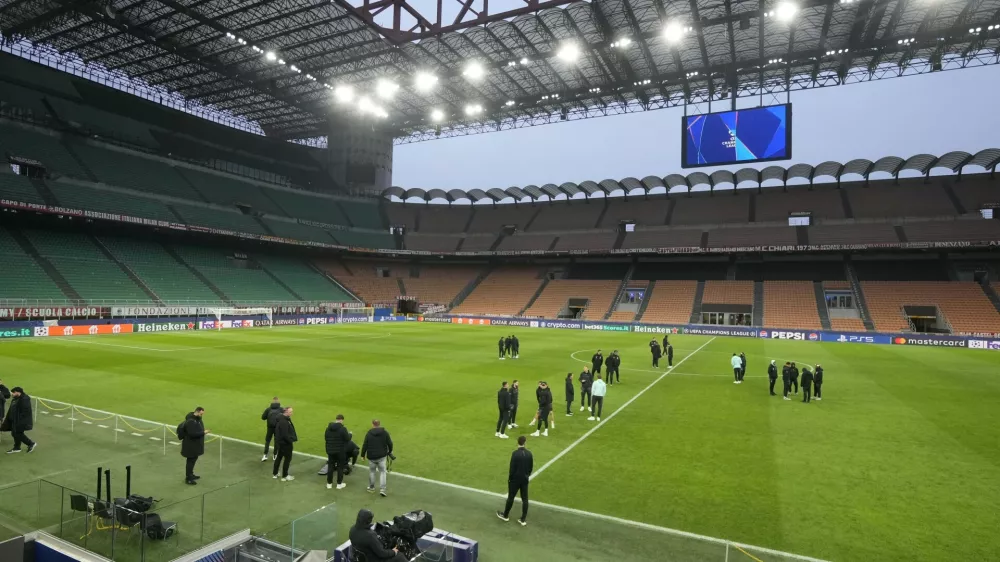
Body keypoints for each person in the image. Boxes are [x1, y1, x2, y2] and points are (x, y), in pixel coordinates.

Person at [496, 435, 533, 526]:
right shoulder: (529, 453)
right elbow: (530, 468)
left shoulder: (515, 453)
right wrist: (527, 475)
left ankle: (505, 515)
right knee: (525, 499)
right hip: (524, 479)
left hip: (515, 480)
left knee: (511, 497)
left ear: (517, 443)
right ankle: (523, 519)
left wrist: (510, 478)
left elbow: (512, 468)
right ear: (525, 443)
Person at [361, 419, 393, 497]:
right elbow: (390, 443)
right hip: (382, 456)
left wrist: (362, 455)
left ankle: (371, 488)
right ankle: (382, 489)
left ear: (372, 424)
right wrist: (390, 451)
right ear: (379, 424)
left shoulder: (369, 433)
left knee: (372, 472)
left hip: (371, 456)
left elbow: (365, 444)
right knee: (382, 472)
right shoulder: (385, 433)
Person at [2, 387, 36, 454]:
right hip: (14, 420)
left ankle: (31, 443)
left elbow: (25, 412)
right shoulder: (15, 399)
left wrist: (19, 420)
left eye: (13, 393)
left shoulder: (25, 399)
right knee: (15, 433)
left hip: (20, 421)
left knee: (17, 433)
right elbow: (11, 410)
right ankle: (17, 447)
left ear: (18, 392)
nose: (12, 394)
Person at [180, 407, 209, 484]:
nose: (201, 415)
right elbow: (192, 434)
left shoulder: (196, 419)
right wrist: (203, 432)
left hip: (194, 445)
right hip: (190, 445)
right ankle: (188, 478)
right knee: (190, 461)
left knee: (192, 460)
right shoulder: (191, 421)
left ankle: (191, 474)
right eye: (201, 413)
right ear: (197, 411)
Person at [325, 414, 350, 490]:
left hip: (330, 450)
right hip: (340, 451)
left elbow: (326, 438)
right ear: (342, 420)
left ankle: (329, 484)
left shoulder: (328, 428)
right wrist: (350, 435)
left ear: (336, 419)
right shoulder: (343, 429)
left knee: (330, 466)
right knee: (340, 467)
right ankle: (339, 484)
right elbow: (347, 439)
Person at [272, 407, 297, 481]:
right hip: (285, 444)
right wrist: (290, 441)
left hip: (280, 443)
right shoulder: (284, 421)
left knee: (279, 457)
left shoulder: (282, 419)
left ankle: (275, 473)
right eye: (290, 412)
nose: (292, 413)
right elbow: (285, 434)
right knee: (287, 459)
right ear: (286, 412)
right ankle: (285, 476)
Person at [261, 396, 282, 462]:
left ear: (272, 401)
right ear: (278, 401)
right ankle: (275, 455)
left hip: (270, 427)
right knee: (276, 441)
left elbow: (263, 417)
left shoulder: (268, 409)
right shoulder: (281, 409)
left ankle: (265, 455)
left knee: (268, 440)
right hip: (278, 427)